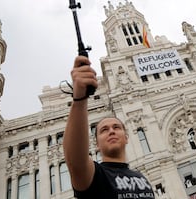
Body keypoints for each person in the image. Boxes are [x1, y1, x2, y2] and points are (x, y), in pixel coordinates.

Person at [63, 56, 155, 198]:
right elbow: (75, 161)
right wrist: (80, 98)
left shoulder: (142, 179)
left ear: (126, 137)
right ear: (97, 145)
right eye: (104, 130)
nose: (111, 131)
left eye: (116, 127)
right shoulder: (95, 176)